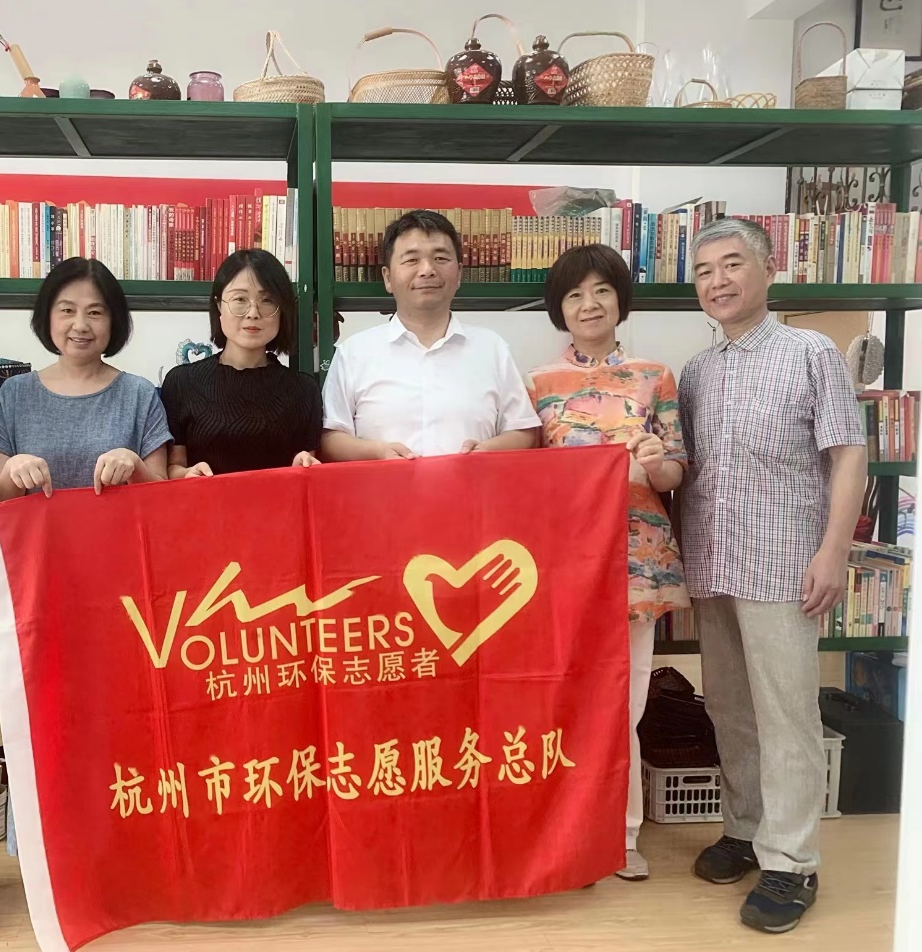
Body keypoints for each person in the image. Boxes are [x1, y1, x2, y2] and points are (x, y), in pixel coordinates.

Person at [678, 217, 866, 934]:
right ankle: (745, 828)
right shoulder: (697, 371)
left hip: (785, 563)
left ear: (767, 270)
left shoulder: (809, 352)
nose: (718, 281)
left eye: (731, 264)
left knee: (786, 713)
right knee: (728, 706)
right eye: (704, 271)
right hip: (713, 561)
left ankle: (791, 861)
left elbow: (847, 454)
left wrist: (834, 551)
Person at [526, 243, 690, 884]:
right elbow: (524, 478)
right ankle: (566, 831)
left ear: (621, 299)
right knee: (566, 697)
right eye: (574, 294)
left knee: (627, 702)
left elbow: (674, 473)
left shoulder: (655, 377)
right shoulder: (538, 384)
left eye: (601, 290)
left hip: (636, 560)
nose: (589, 304)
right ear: (559, 309)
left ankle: (620, 836)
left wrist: (656, 461)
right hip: (563, 565)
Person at [320, 209, 540, 461]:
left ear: (459, 274)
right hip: (384, 487)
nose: (427, 270)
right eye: (411, 260)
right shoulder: (354, 352)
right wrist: (377, 453)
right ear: (387, 278)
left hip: (472, 486)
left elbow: (524, 431)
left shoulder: (492, 347)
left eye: (440, 258)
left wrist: (487, 451)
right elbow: (331, 438)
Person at [0, 256, 171, 500]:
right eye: (67, 310)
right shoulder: (15, 393)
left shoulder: (139, 394)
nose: (80, 325)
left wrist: (135, 467)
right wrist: (12, 471)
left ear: (113, 321)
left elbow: (163, 496)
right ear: (47, 315)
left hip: (120, 526)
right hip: (37, 527)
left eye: (95, 312)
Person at [160, 249, 322, 477]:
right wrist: (187, 474)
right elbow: (172, 469)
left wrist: (302, 465)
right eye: (240, 299)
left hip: (278, 500)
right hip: (205, 500)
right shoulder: (181, 383)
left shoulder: (304, 390)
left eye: (267, 300)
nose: (253, 312)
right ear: (219, 305)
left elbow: (305, 467)